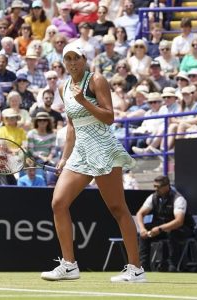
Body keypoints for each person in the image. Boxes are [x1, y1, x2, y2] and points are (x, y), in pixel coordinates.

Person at [40, 43, 145, 283]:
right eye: (68, 58)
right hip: (79, 151)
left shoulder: (96, 80)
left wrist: (84, 101)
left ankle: (136, 268)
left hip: (102, 146)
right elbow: (70, 125)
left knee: (118, 208)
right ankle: (69, 265)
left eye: (76, 57)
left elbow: (109, 117)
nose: (72, 62)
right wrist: (64, 157)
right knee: (58, 202)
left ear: (84, 59)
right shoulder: (64, 87)